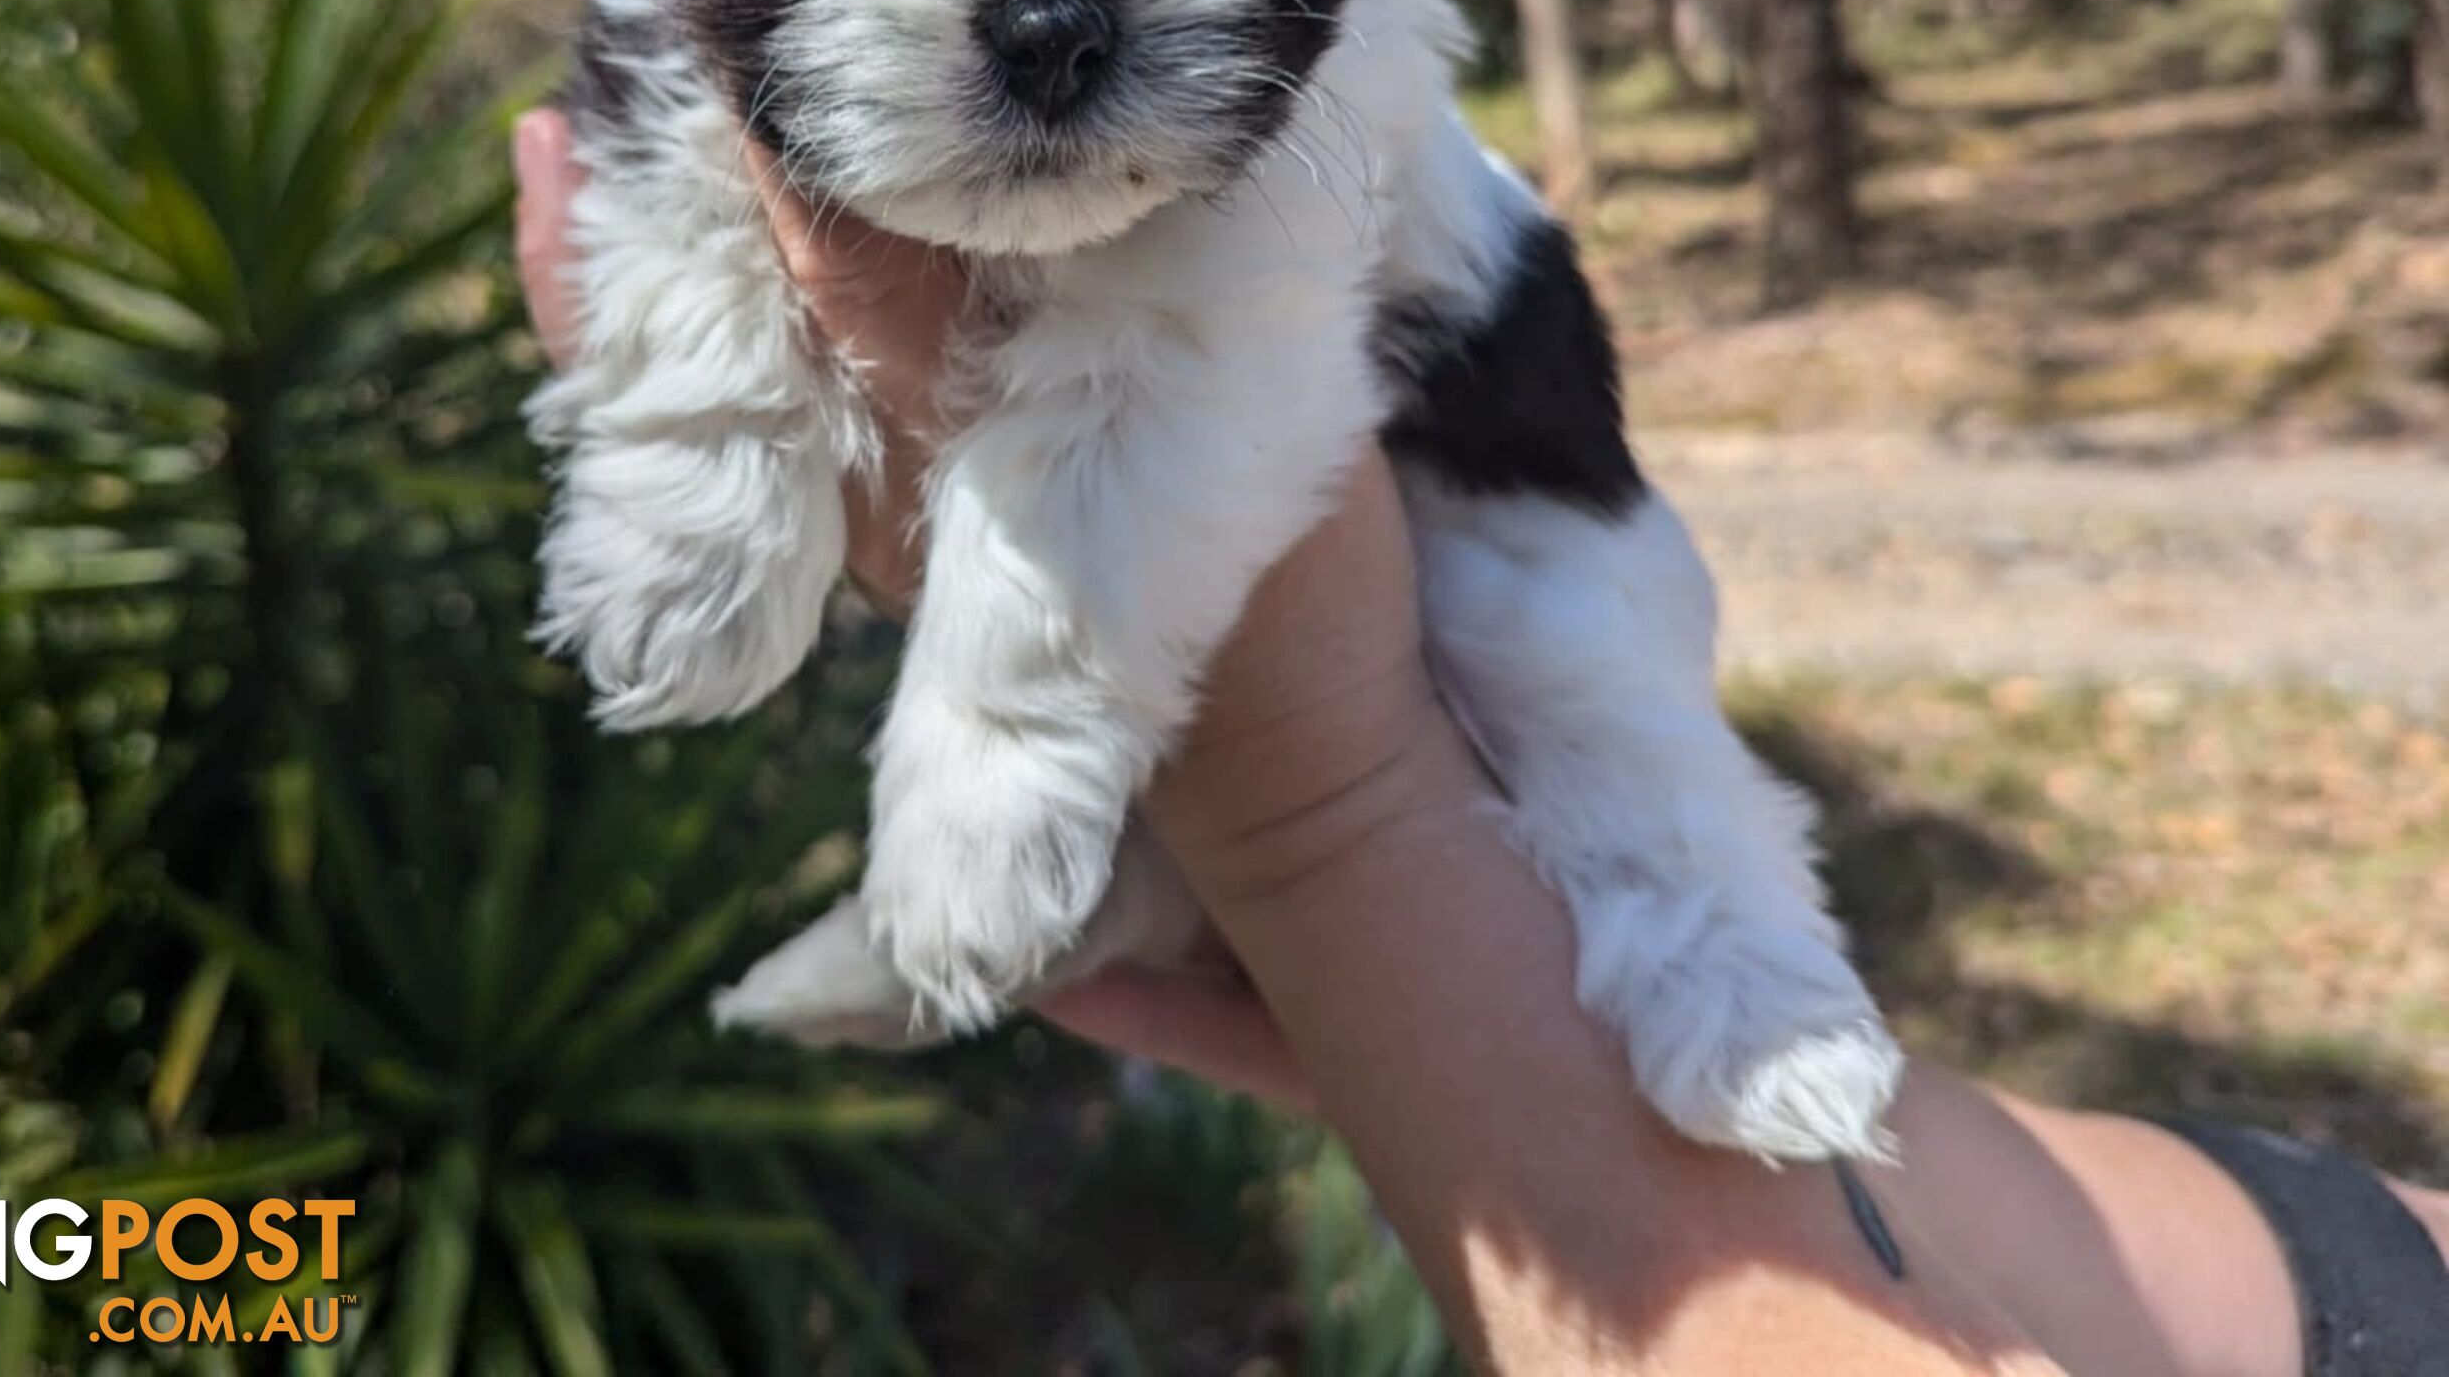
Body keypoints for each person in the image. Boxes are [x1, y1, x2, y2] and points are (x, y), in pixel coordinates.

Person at [513, 109, 2449, 1377]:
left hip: (1532, 561)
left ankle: (1710, 943)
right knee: (1741, 1032)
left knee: (1644, 813)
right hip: (2329, 1268)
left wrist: (1329, 821)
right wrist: (1447, 993)